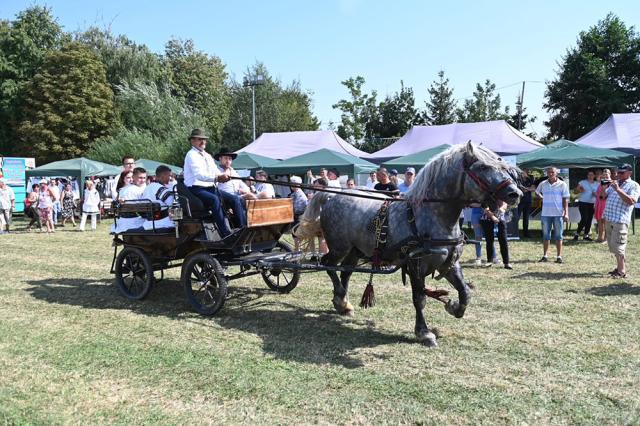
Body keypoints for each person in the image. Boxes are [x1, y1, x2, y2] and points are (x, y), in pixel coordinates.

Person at [183, 128, 245, 239]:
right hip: (195, 188)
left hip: (209, 187)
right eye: (199, 139)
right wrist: (217, 178)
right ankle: (225, 233)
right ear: (192, 141)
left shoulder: (207, 156)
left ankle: (242, 229)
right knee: (214, 199)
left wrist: (224, 176)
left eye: (204, 140)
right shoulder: (191, 155)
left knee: (235, 199)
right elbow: (199, 175)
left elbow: (214, 170)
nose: (203, 142)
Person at [602, 163, 640, 278]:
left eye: (622, 172)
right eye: (618, 172)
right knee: (613, 246)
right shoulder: (616, 183)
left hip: (620, 220)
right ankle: (619, 267)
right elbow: (603, 197)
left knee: (619, 246)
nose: (619, 174)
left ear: (629, 173)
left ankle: (622, 271)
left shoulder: (634, 185)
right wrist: (604, 188)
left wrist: (618, 189)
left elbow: (631, 201)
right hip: (609, 218)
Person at [535, 166, 569, 263]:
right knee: (546, 236)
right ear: (547, 173)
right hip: (545, 214)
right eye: (549, 172)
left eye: (552, 172)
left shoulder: (562, 184)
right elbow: (537, 192)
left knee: (559, 236)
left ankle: (559, 256)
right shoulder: (543, 183)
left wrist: (566, 213)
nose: (550, 174)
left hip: (558, 214)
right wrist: (542, 197)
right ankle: (545, 256)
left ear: (556, 173)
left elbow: (565, 199)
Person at [140, 165, 176, 230]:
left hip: (147, 224)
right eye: (169, 176)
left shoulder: (147, 188)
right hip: (163, 223)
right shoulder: (161, 189)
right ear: (163, 176)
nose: (170, 178)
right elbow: (172, 204)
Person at [480, 202, 512, 269]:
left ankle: (506, 263)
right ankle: (489, 261)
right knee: (489, 241)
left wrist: (500, 210)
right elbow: (485, 206)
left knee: (503, 241)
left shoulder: (502, 193)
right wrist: (493, 217)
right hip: (487, 219)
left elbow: (505, 204)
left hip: (501, 220)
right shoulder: (486, 195)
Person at [574, 170, 598, 241]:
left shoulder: (597, 184)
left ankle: (586, 235)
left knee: (589, 219)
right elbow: (575, 191)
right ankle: (577, 234)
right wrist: (579, 189)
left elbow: (599, 194)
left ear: (594, 176)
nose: (590, 176)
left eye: (592, 175)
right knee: (584, 218)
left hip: (592, 203)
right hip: (583, 202)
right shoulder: (582, 182)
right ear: (587, 176)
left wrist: (595, 194)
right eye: (589, 175)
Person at [516, 169, 536, 238]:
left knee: (526, 218)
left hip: (528, 201)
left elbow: (533, 188)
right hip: (519, 201)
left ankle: (526, 233)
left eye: (526, 171)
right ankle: (515, 232)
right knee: (517, 217)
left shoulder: (530, 179)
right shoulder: (518, 179)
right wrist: (527, 189)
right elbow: (517, 188)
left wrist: (526, 189)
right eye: (524, 171)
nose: (525, 172)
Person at [594, 169, 612, 242]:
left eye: (606, 174)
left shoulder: (612, 183)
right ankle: (599, 237)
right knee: (599, 222)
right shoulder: (601, 183)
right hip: (599, 203)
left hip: (606, 204)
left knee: (605, 222)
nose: (605, 175)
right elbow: (598, 194)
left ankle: (605, 239)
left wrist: (603, 188)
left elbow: (604, 195)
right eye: (604, 174)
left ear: (610, 174)